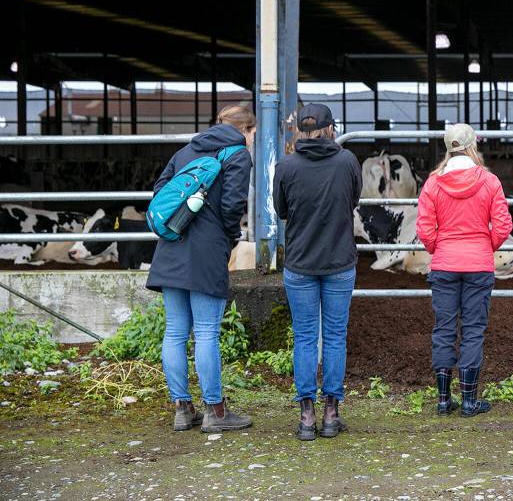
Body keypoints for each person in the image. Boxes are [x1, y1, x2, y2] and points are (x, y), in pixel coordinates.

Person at [146, 105, 256, 433]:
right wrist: (229, 238)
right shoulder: (238, 155)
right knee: (207, 332)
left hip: (170, 247)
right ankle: (216, 412)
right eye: (253, 134)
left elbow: (159, 192)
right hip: (206, 253)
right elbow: (232, 206)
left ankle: (182, 409)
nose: (252, 140)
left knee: (176, 331)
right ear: (247, 130)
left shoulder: (186, 150)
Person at [273, 103, 362, 441]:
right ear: (330, 128)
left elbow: (280, 209)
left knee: (305, 337)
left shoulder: (286, 164)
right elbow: (353, 200)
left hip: (300, 263)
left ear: (300, 130)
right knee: (336, 336)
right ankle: (331, 413)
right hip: (339, 261)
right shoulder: (347, 161)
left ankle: (307, 416)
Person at [415, 123, 512, 417]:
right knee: (472, 331)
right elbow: (504, 225)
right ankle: (469, 401)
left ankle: (444, 401)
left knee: (444, 329)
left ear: (448, 147)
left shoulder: (433, 183)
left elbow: (424, 229)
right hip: (478, 265)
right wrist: (486, 246)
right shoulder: (490, 181)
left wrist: (438, 248)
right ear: (473, 146)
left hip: (444, 264)